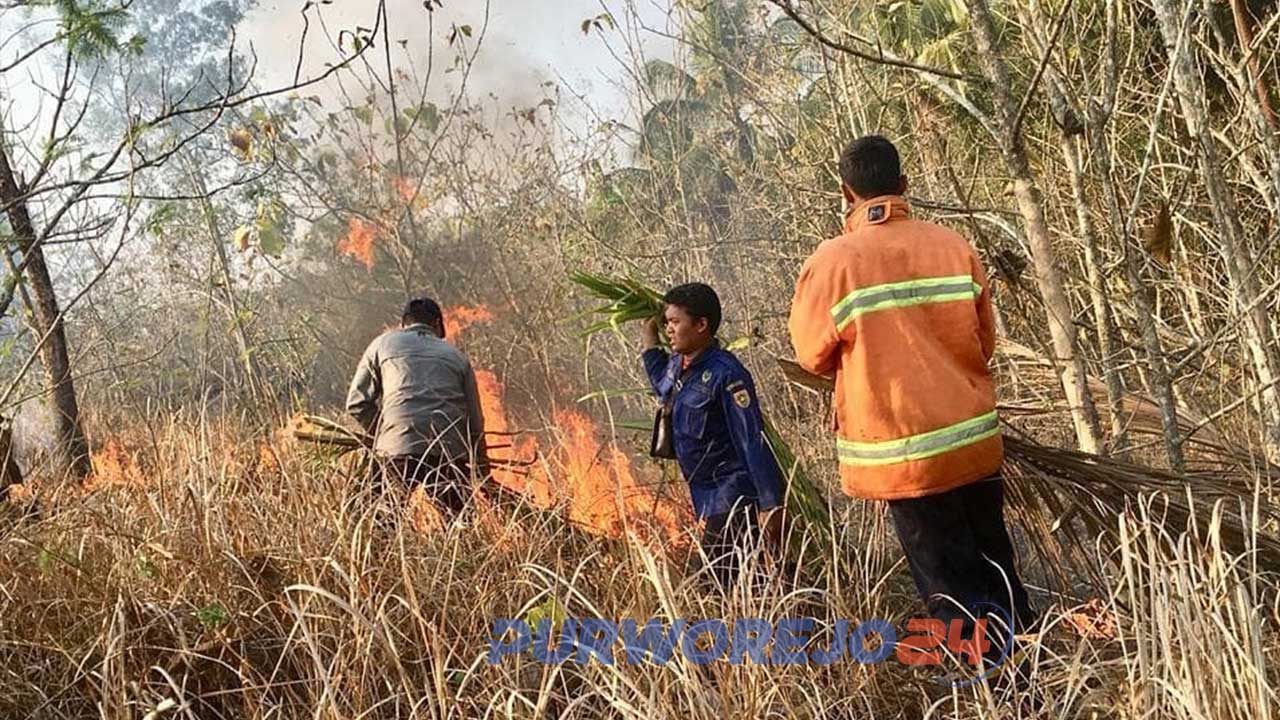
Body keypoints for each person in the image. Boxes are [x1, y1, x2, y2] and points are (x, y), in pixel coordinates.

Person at [787, 136, 1036, 660]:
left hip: (906, 459)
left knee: (949, 586)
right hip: (973, 443)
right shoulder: (953, 245)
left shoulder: (833, 263)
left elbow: (810, 355)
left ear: (845, 192)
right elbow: (984, 342)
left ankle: (992, 688)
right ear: (903, 185)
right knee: (995, 562)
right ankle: (1034, 668)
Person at [640, 282, 786, 588]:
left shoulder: (727, 374)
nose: (669, 329)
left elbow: (752, 440)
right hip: (707, 496)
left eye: (675, 322)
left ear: (702, 324)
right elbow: (661, 386)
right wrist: (649, 342)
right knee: (748, 579)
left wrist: (770, 503)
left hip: (734, 494)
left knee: (711, 580)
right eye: (666, 322)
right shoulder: (679, 365)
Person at [347, 298, 488, 519]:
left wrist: (383, 434)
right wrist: (482, 470)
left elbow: (356, 403)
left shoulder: (381, 345)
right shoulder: (457, 357)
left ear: (403, 323)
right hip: (448, 453)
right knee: (460, 526)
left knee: (383, 524)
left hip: (396, 448)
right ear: (437, 325)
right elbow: (475, 422)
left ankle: (381, 552)